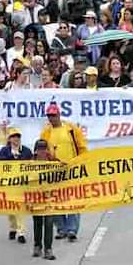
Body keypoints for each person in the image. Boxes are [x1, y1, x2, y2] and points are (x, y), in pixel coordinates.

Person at [39, 102, 87, 241]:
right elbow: (42, 150)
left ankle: (72, 229)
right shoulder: (45, 132)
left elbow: (81, 146)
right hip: (54, 170)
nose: (51, 118)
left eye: (53, 115)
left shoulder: (71, 129)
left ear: (59, 115)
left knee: (73, 198)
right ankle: (61, 228)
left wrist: (82, 162)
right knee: (56, 200)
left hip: (72, 169)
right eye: (49, 116)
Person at [0, 128, 32, 243]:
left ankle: (21, 232)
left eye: (18, 136)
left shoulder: (26, 151)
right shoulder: (4, 151)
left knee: (19, 207)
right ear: (10, 139)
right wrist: (12, 157)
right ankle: (13, 228)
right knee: (10, 208)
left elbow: (32, 164)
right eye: (13, 136)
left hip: (22, 183)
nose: (16, 138)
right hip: (8, 183)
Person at [31, 138, 56, 260]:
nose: (42, 152)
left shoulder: (53, 162)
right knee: (37, 222)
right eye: (39, 149)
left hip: (49, 197)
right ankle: (37, 245)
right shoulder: (29, 165)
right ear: (35, 151)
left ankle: (48, 249)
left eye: (44, 149)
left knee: (49, 222)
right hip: (35, 197)